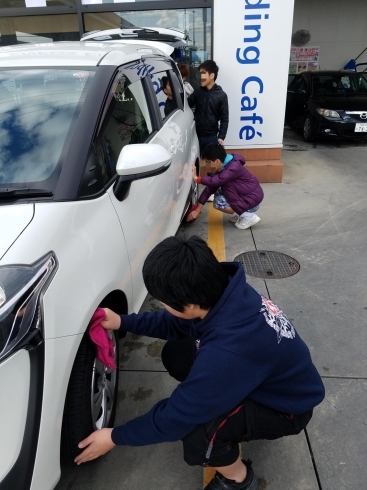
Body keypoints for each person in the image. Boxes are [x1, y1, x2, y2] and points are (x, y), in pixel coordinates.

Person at [75, 235, 325, 490]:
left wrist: (114, 436)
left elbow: (175, 418)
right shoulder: (222, 289)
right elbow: (176, 321)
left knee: (199, 434)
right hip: (265, 373)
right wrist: (122, 321)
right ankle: (214, 397)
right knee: (178, 354)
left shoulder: (229, 351)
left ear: (189, 303)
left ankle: (238, 479)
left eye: (164, 300)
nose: (162, 304)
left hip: (288, 407)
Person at [187, 144, 264, 230]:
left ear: (217, 161)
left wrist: (197, 179)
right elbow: (209, 188)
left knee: (218, 202)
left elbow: (216, 180)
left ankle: (248, 216)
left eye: (208, 162)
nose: (206, 165)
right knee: (217, 192)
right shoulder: (223, 166)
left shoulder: (232, 167)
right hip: (248, 196)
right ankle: (241, 213)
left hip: (252, 199)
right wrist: (197, 210)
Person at [188, 60, 229, 155]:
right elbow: (187, 105)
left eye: (203, 73)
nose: (200, 77)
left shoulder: (221, 95)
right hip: (196, 135)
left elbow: (224, 119)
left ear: (212, 76)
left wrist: (221, 137)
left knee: (211, 164)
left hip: (212, 137)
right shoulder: (198, 92)